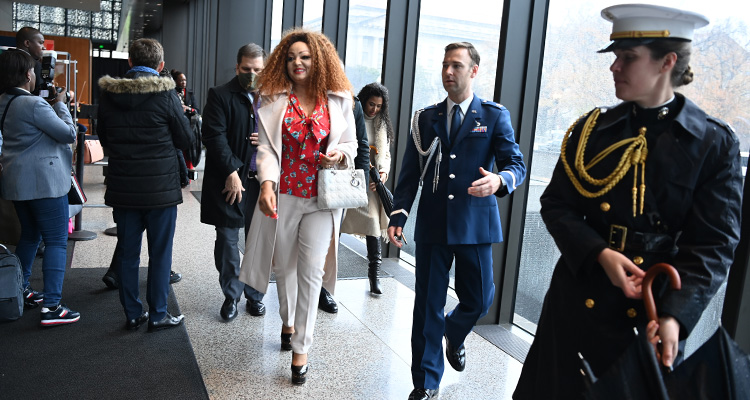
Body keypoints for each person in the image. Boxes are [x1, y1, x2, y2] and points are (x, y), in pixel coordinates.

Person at [513, 4, 743, 399]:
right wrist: (600, 253)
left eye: (627, 58)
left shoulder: (713, 144)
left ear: (666, 61)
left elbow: (713, 244)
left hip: (651, 312)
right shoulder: (593, 130)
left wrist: (675, 317)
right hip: (577, 298)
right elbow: (555, 204)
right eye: (616, 56)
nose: (614, 67)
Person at [387, 42, 526, 400]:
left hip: (475, 225)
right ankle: (426, 382)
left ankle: (455, 330)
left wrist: (499, 180)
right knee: (427, 306)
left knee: (480, 300)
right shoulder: (425, 118)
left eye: (457, 66)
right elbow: (410, 172)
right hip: (434, 226)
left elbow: (516, 164)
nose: (449, 72)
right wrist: (399, 214)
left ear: (474, 71)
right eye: (445, 65)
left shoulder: (494, 116)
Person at [238, 28, 358, 385]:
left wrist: (339, 154)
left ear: (318, 59)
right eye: (291, 58)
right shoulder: (272, 99)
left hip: (323, 198)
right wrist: (267, 184)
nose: (297, 63)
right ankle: (287, 321)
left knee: (311, 272)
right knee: (285, 267)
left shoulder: (339, 100)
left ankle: (301, 349)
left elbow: (351, 144)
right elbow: (267, 152)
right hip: (285, 195)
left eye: (304, 57)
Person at [97, 38, 193, 332]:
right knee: (160, 252)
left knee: (127, 252)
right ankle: (158, 314)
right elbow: (185, 139)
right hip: (160, 189)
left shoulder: (110, 94)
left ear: (129, 63)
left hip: (124, 186)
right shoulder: (166, 96)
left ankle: (132, 313)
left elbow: (104, 139)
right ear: (161, 66)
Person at [0, 49, 79, 326]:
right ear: (26, 74)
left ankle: (19, 289)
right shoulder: (35, 105)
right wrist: (61, 104)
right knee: (57, 240)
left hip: (16, 184)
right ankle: (53, 306)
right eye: (32, 71)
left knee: (30, 237)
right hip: (44, 185)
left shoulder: (4, 102)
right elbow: (68, 133)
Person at [200, 43, 268, 321]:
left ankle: (255, 295)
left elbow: (289, 138)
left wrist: (268, 141)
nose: (252, 75)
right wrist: (231, 172)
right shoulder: (220, 95)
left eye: (257, 70)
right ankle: (231, 295)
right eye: (246, 69)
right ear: (237, 67)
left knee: (258, 241)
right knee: (228, 240)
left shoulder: (274, 98)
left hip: (262, 182)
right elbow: (214, 136)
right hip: (230, 181)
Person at [341, 82, 393, 295]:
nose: (374, 109)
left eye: (379, 106)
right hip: (349, 178)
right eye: (371, 104)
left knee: (373, 225)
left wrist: (382, 173)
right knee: (336, 224)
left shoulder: (382, 125)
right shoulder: (352, 116)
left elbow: (386, 154)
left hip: (371, 183)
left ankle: (374, 275)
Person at [14, 27, 44, 95]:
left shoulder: (4, 59)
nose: (44, 47)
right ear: (27, 43)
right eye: (40, 43)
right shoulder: (34, 65)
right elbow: (41, 94)